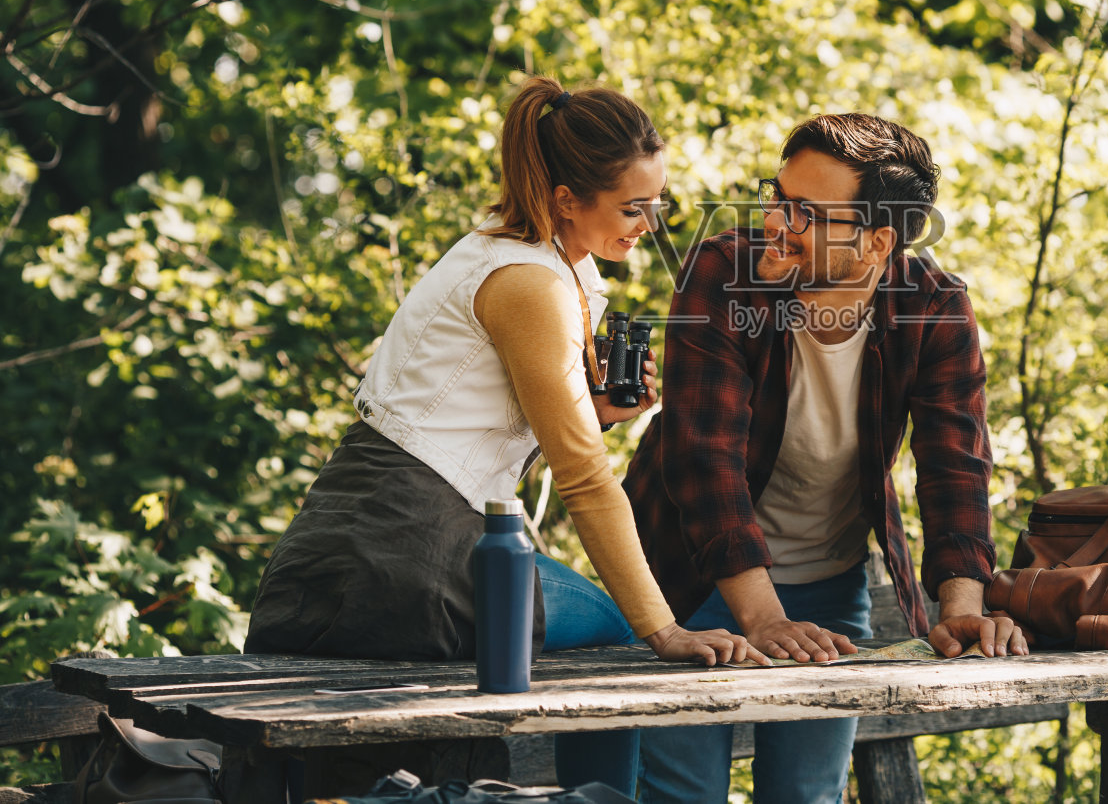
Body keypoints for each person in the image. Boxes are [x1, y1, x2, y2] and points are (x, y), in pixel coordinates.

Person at [244, 77, 763, 793]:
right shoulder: (529, 283)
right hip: (404, 556)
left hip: (371, 536)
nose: (651, 222)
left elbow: (475, 418)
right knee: (624, 635)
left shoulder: (527, 256)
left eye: (659, 203)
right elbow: (584, 479)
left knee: (608, 629)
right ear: (565, 200)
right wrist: (664, 630)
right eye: (633, 207)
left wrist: (602, 412)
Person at [623, 113, 1027, 804]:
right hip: (690, 579)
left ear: (877, 241)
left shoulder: (934, 308)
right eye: (777, 197)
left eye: (805, 213)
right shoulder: (725, 271)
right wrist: (763, 617)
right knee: (682, 795)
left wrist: (961, 602)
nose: (777, 221)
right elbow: (704, 459)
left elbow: (956, 466)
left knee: (806, 797)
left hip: (831, 585)